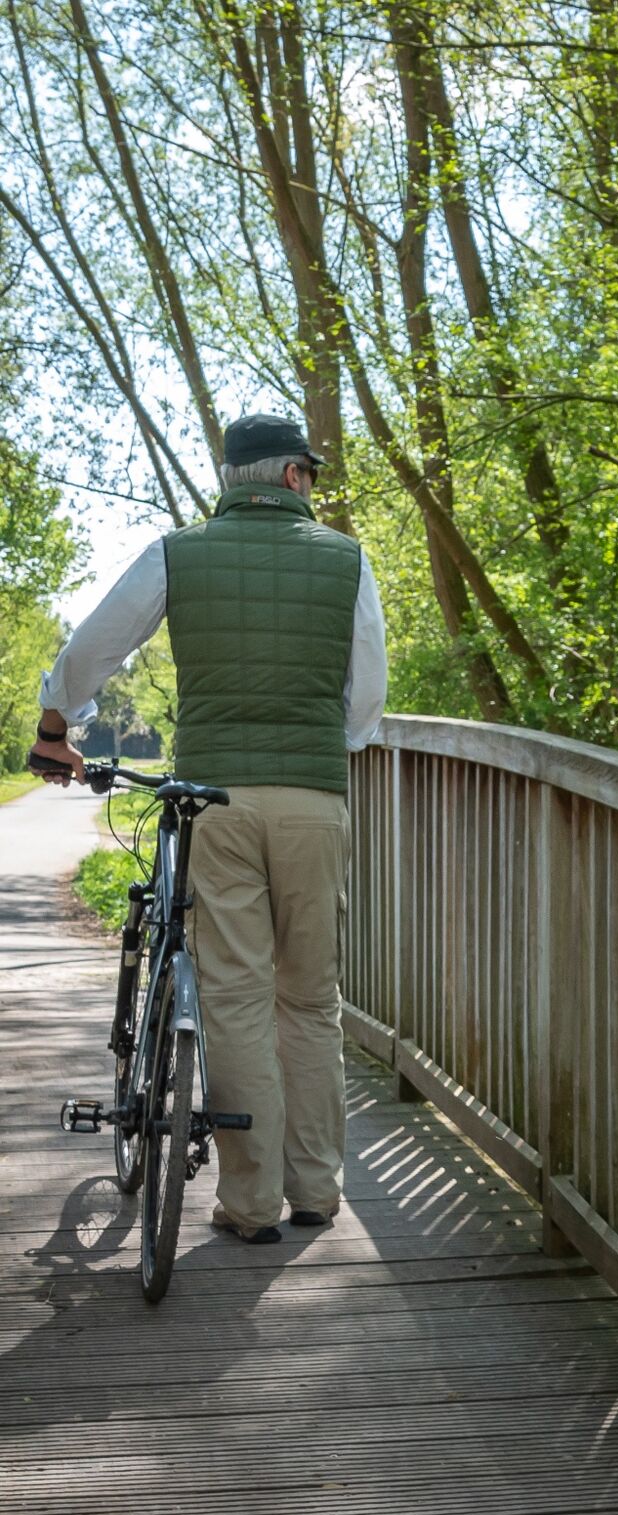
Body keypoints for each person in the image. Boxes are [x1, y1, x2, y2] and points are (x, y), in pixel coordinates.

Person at [36, 412, 388, 1245]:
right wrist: (322, 742)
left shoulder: (177, 553)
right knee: (310, 997)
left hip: (214, 800)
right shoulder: (347, 559)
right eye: (310, 472)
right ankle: (315, 1191)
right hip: (313, 802)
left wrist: (57, 725)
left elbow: (94, 647)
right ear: (294, 476)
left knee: (232, 994)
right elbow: (365, 701)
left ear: (233, 479)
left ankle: (250, 1204)